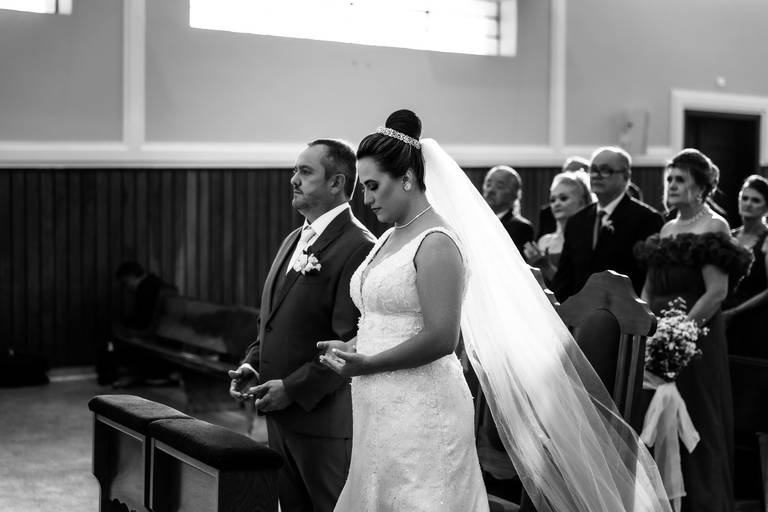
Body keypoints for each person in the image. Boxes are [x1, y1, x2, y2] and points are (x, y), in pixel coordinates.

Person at [319, 110, 671, 512]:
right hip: (375, 401)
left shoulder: (437, 242)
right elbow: (385, 319)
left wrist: (366, 364)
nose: (365, 199)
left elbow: (441, 337)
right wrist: (350, 346)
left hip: (420, 407)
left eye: (372, 186)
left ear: (407, 178)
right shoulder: (388, 238)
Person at [228, 139, 375, 512]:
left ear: (337, 183)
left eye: (305, 172)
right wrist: (253, 362)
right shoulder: (295, 238)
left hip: (322, 422)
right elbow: (272, 320)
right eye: (295, 171)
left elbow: (351, 342)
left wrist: (292, 389)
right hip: (281, 418)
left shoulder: (357, 246)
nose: (293, 179)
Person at [634, 148, 752, 512]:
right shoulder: (667, 228)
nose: (670, 185)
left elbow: (716, 293)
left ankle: (703, 501)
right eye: (669, 179)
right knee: (655, 414)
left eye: (679, 180)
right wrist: (646, 328)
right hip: (660, 335)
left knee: (697, 414)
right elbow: (648, 290)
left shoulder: (713, 226)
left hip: (696, 339)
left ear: (701, 187)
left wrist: (677, 336)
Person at [551, 146, 663, 302]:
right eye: (593, 170)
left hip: (623, 315)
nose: (596, 176)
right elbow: (564, 278)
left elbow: (647, 280)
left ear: (625, 176)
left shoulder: (646, 219)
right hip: (579, 316)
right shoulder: (577, 221)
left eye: (605, 170)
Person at [109, 262, 178, 387]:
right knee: (121, 333)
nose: (127, 287)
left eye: (125, 283)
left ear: (130, 276)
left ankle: (135, 373)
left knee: (118, 336)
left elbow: (142, 319)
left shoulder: (146, 288)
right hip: (168, 333)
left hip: (158, 334)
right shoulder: (156, 284)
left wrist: (124, 326)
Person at [723, 174, 768, 357]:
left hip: (754, 320)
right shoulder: (729, 236)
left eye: (756, 200)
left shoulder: (766, 239)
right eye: (745, 198)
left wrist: (735, 312)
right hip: (723, 317)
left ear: (766, 207)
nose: (748, 203)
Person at [523, 170, 593, 284]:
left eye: (563, 198)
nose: (556, 203)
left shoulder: (589, 239)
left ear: (582, 202)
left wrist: (547, 267)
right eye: (552, 200)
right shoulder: (544, 241)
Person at [482, 165, 534, 254]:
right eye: (488, 184)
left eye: (499, 186)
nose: (490, 190)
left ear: (514, 195)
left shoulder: (521, 227)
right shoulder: (473, 221)